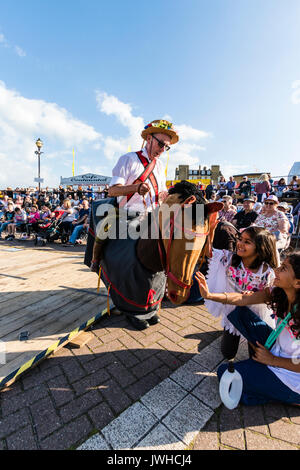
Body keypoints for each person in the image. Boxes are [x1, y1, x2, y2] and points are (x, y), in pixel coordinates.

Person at [195, 252, 300, 407]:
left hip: (292, 376)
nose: (276, 270)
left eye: (284, 268)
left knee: (224, 372)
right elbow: (243, 299)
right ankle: (262, 375)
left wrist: (272, 360)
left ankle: (290, 396)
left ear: (297, 283)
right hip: (278, 350)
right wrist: (210, 295)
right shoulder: (279, 293)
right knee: (240, 313)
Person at [196, 226, 277, 360]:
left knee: (256, 355)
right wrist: (209, 226)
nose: (240, 243)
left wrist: (253, 294)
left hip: (255, 317)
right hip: (233, 313)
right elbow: (208, 251)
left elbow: (269, 296)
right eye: (240, 239)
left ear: (261, 248)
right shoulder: (228, 259)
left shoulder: (267, 272)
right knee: (227, 352)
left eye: (247, 242)